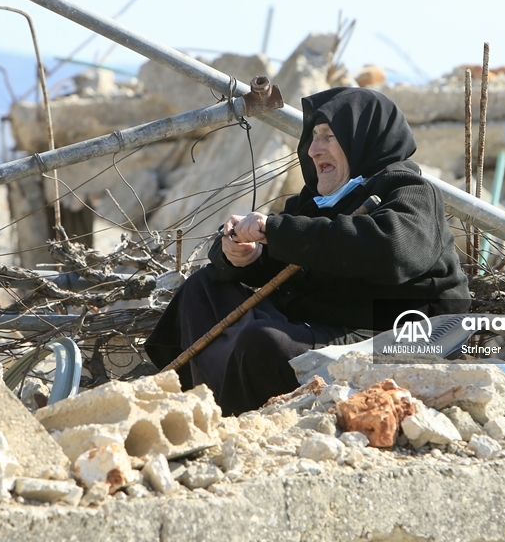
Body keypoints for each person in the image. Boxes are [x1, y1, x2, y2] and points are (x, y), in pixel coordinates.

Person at [144, 87, 470, 415]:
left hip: (384, 336)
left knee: (265, 341)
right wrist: (244, 256)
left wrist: (276, 231)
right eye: (313, 137)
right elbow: (292, 253)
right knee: (201, 289)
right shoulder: (313, 203)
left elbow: (392, 249)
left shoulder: (407, 191)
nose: (314, 150)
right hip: (317, 324)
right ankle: (199, 404)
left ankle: (235, 415)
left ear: (363, 136)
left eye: (328, 135)